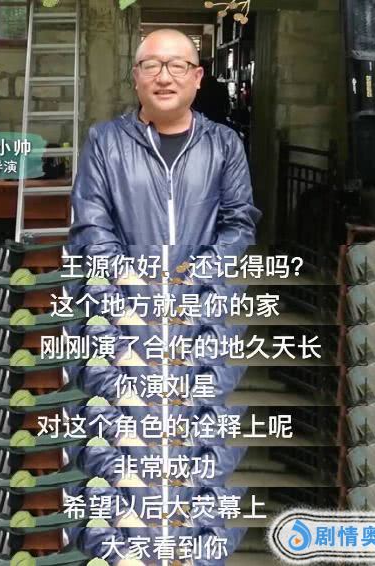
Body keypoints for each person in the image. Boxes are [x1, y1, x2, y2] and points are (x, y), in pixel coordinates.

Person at [68, 27, 262, 565]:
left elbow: (239, 221)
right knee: (125, 452)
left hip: (201, 315)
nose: (164, 76)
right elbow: (91, 222)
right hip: (125, 313)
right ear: (136, 77)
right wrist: (131, 280)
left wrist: (200, 273)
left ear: (198, 78)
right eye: (151, 65)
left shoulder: (224, 145)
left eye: (177, 65)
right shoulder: (106, 141)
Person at [192, 58, 230, 125]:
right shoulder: (222, 88)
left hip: (200, 124)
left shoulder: (194, 89)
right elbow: (227, 109)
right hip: (219, 123)